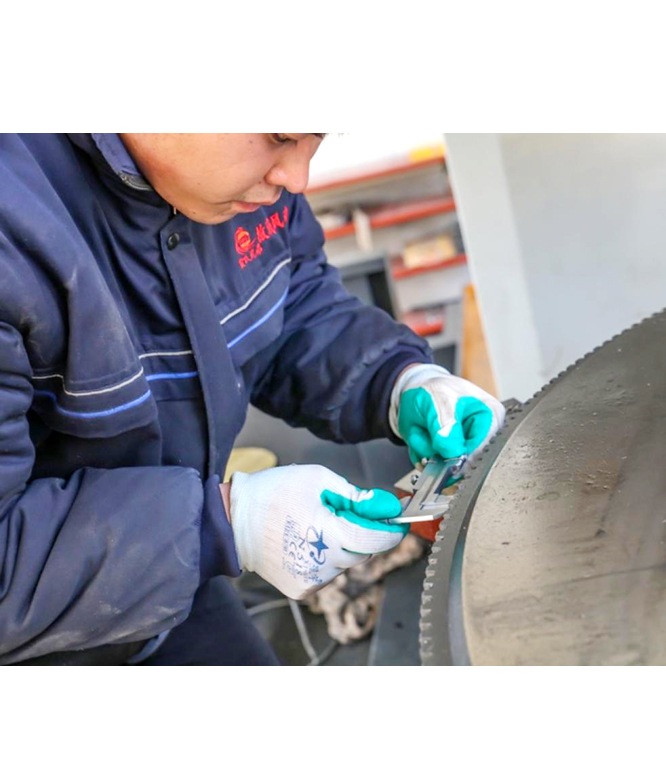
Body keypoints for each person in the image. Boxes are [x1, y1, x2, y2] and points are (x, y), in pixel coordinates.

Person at [0, 133, 505, 665]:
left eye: (316, 137)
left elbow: (292, 305)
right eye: (279, 137)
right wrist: (225, 524)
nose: (297, 178)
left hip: (172, 591)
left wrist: (397, 380)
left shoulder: (237, 186)